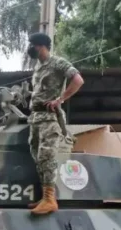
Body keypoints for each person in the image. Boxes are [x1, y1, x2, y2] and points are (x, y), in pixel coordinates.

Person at [26, 32, 84, 216]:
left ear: (41, 46)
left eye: (32, 45)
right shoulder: (38, 67)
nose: (30, 48)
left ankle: (50, 199)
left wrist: (60, 99)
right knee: (38, 157)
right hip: (36, 118)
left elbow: (78, 80)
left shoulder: (57, 62)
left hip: (50, 118)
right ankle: (44, 197)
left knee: (47, 156)